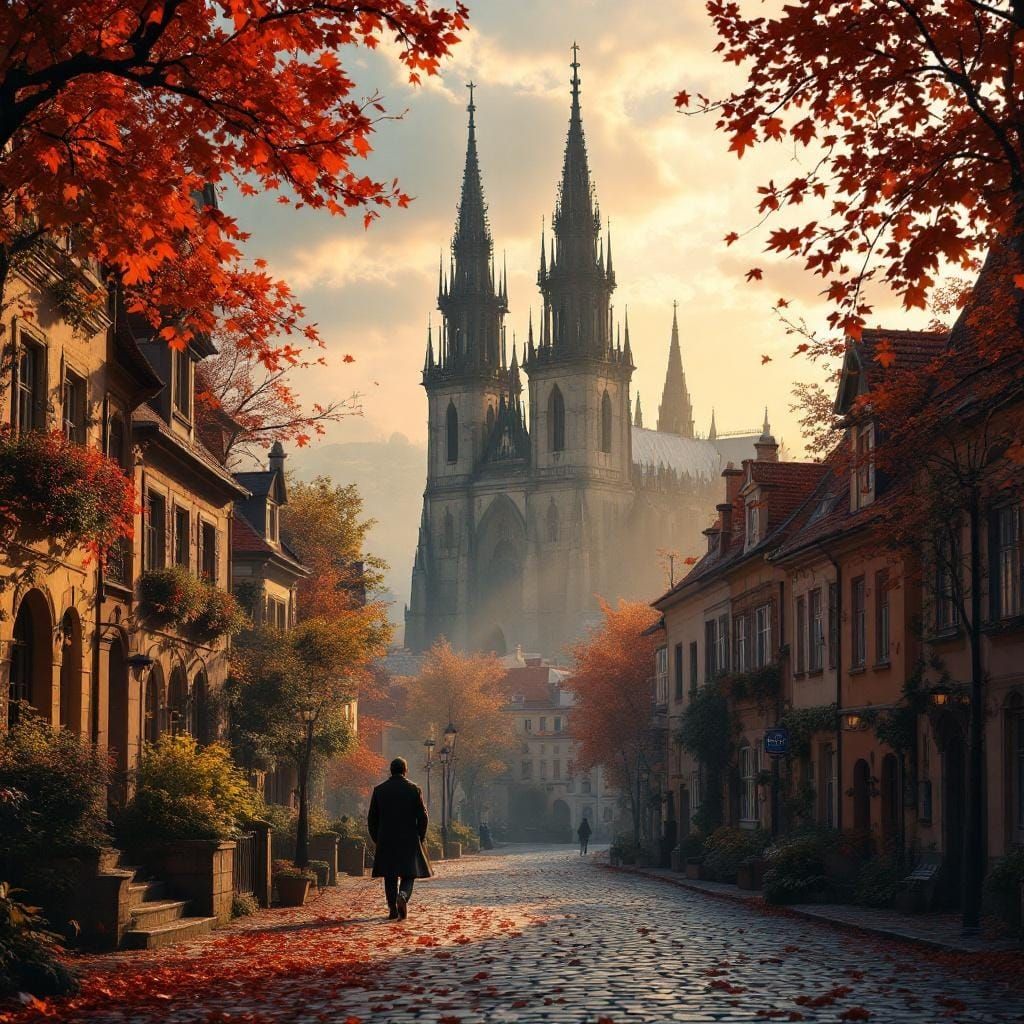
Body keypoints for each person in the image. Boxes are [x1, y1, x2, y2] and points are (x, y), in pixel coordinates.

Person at [367, 757, 432, 920]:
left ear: (391, 770)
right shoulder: (414, 789)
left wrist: (377, 838)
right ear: (405, 770)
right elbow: (423, 817)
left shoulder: (379, 790)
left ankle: (392, 909)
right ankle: (402, 895)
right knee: (409, 874)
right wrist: (420, 836)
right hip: (409, 839)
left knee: (389, 875)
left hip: (386, 839)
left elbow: (372, 819)